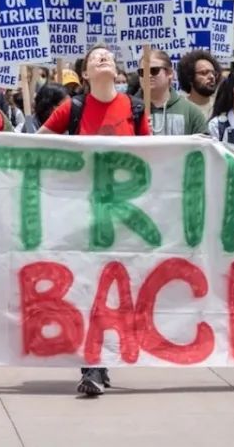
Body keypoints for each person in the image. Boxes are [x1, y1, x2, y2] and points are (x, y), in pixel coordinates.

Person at [39, 45, 150, 398]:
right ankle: (94, 365)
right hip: (81, 215)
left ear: (117, 70)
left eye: (109, 56)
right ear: (84, 74)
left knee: (113, 289)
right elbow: (32, 145)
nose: (104, 59)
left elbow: (156, 157)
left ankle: (99, 361)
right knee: (89, 287)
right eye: (95, 57)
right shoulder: (71, 109)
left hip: (124, 216)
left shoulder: (134, 109)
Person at [144, 50, 208, 136]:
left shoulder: (191, 112)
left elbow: (203, 147)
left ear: (170, 73)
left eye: (154, 70)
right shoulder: (129, 111)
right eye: (142, 72)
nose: (148, 75)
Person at [177, 49, 222, 122]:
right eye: (204, 73)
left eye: (214, 73)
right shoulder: (179, 107)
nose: (211, 77)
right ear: (190, 78)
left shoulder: (221, 107)